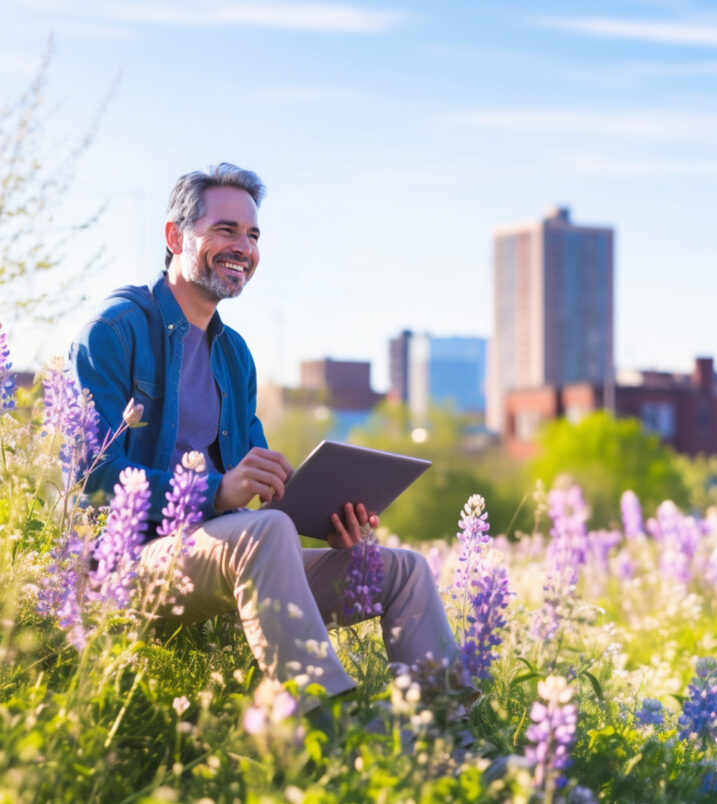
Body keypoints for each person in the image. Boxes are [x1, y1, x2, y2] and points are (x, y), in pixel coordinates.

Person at [71, 163, 461, 710]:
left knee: (402, 570)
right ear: (174, 236)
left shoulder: (234, 356)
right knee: (265, 530)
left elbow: (257, 492)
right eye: (226, 230)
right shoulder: (113, 332)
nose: (244, 247)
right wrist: (217, 492)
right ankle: (323, 727)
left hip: (228, 556)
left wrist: (328, 521)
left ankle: (445, 735)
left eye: (252, 235)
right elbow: (92, 482)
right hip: (125, 566)